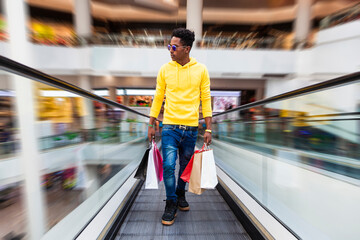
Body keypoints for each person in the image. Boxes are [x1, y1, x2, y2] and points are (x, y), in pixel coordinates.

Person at [148, 28, 212, 226]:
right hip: (169, 127)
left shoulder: (201, 70)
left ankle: (180, 193)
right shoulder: (165, 69)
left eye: (174, 47)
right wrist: (151, 123)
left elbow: (206, 99)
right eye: (169, 46)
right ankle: (171, 202)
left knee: (184, 167)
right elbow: (158, 97)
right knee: (168, 166)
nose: (170, 50)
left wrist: (208, 128)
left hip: (191, 128)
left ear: (187, 48)